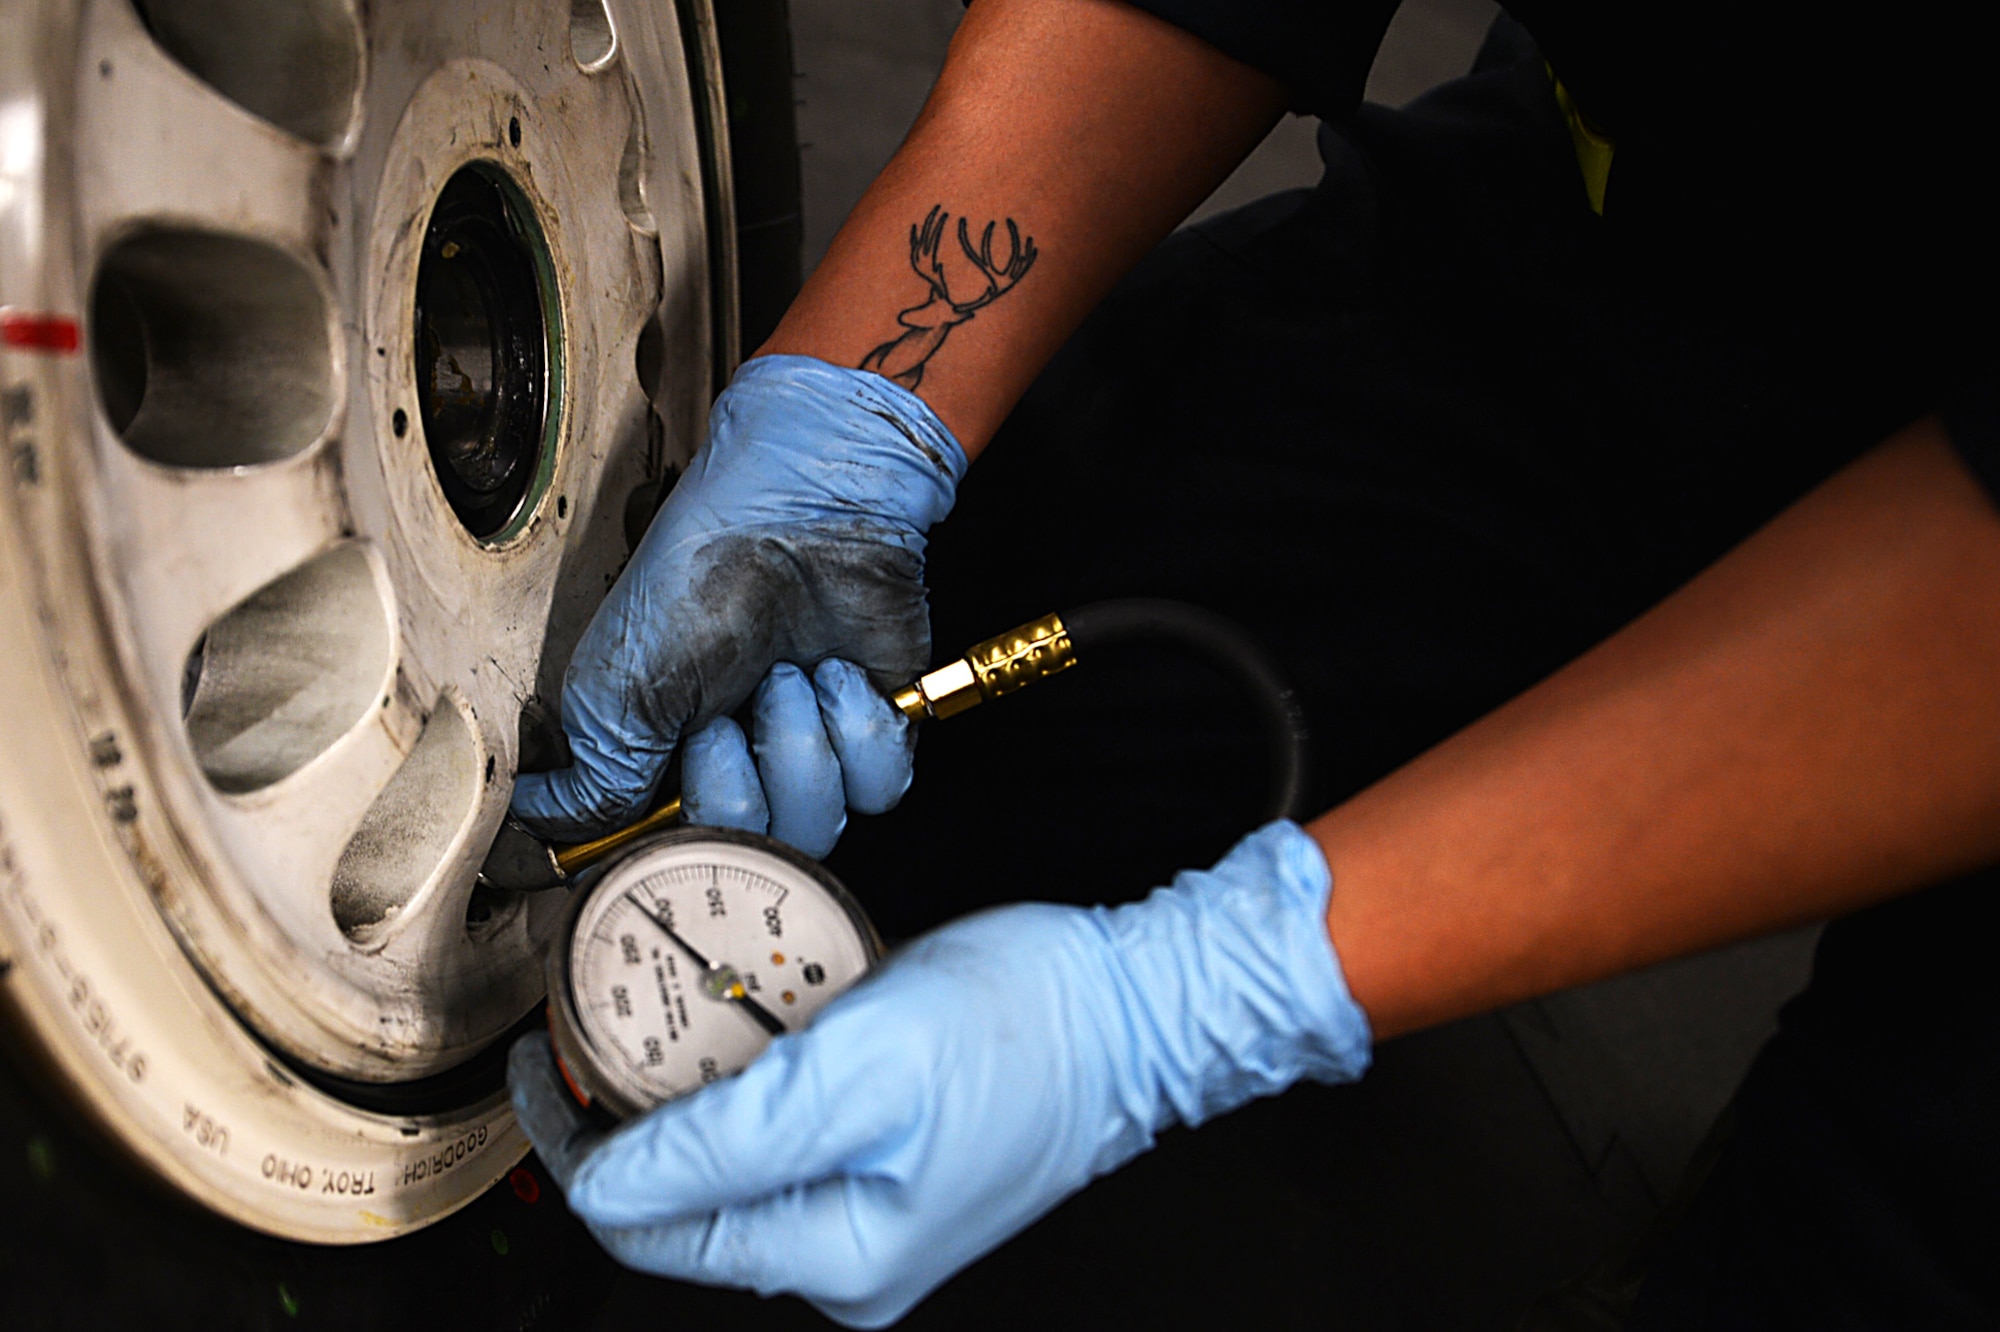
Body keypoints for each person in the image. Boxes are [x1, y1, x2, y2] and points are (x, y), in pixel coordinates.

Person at [506, 1, 1999, 1326]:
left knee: (1915, 1194)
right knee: (999, 658)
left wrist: (1188, 1003)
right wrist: (861, 408)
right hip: (1651, 197)